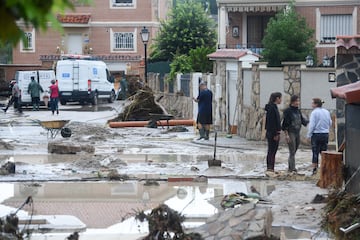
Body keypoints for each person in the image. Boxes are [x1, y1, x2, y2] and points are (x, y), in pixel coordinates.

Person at [281, 95, 308, 172]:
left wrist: (309, 122)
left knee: (295, 150)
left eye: (298, 101)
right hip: (290, 132)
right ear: (292, 102)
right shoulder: (288, 111)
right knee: (292, 151)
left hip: (297, 132)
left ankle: (291, 166)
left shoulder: (298, 111)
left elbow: (303, 121)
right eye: (296, 101)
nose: (298, 103)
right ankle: (292, 168)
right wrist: (286, 135)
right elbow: (284, 124)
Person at [307, 98, 332, 175]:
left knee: (315, 152)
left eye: (312, 103)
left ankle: (315, 170)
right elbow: (330, 122)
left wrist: (309, 135)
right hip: (325, 134)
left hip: (316, 134)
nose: (311, 104)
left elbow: (312, 125)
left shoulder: (314, 113)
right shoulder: (326, 112)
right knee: (324, 152)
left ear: (316, 104)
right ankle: (325, 168)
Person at [265, 92, 282, 172]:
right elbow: (272, 122)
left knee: (272, 150)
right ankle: (270, 167)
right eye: (280, 98)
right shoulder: (272, 108)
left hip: (272, 132)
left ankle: (271, 167)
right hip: (272, 133)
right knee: (272, 150)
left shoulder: (273, 108)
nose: (281, 100)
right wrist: (276, 133)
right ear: (277, 98)